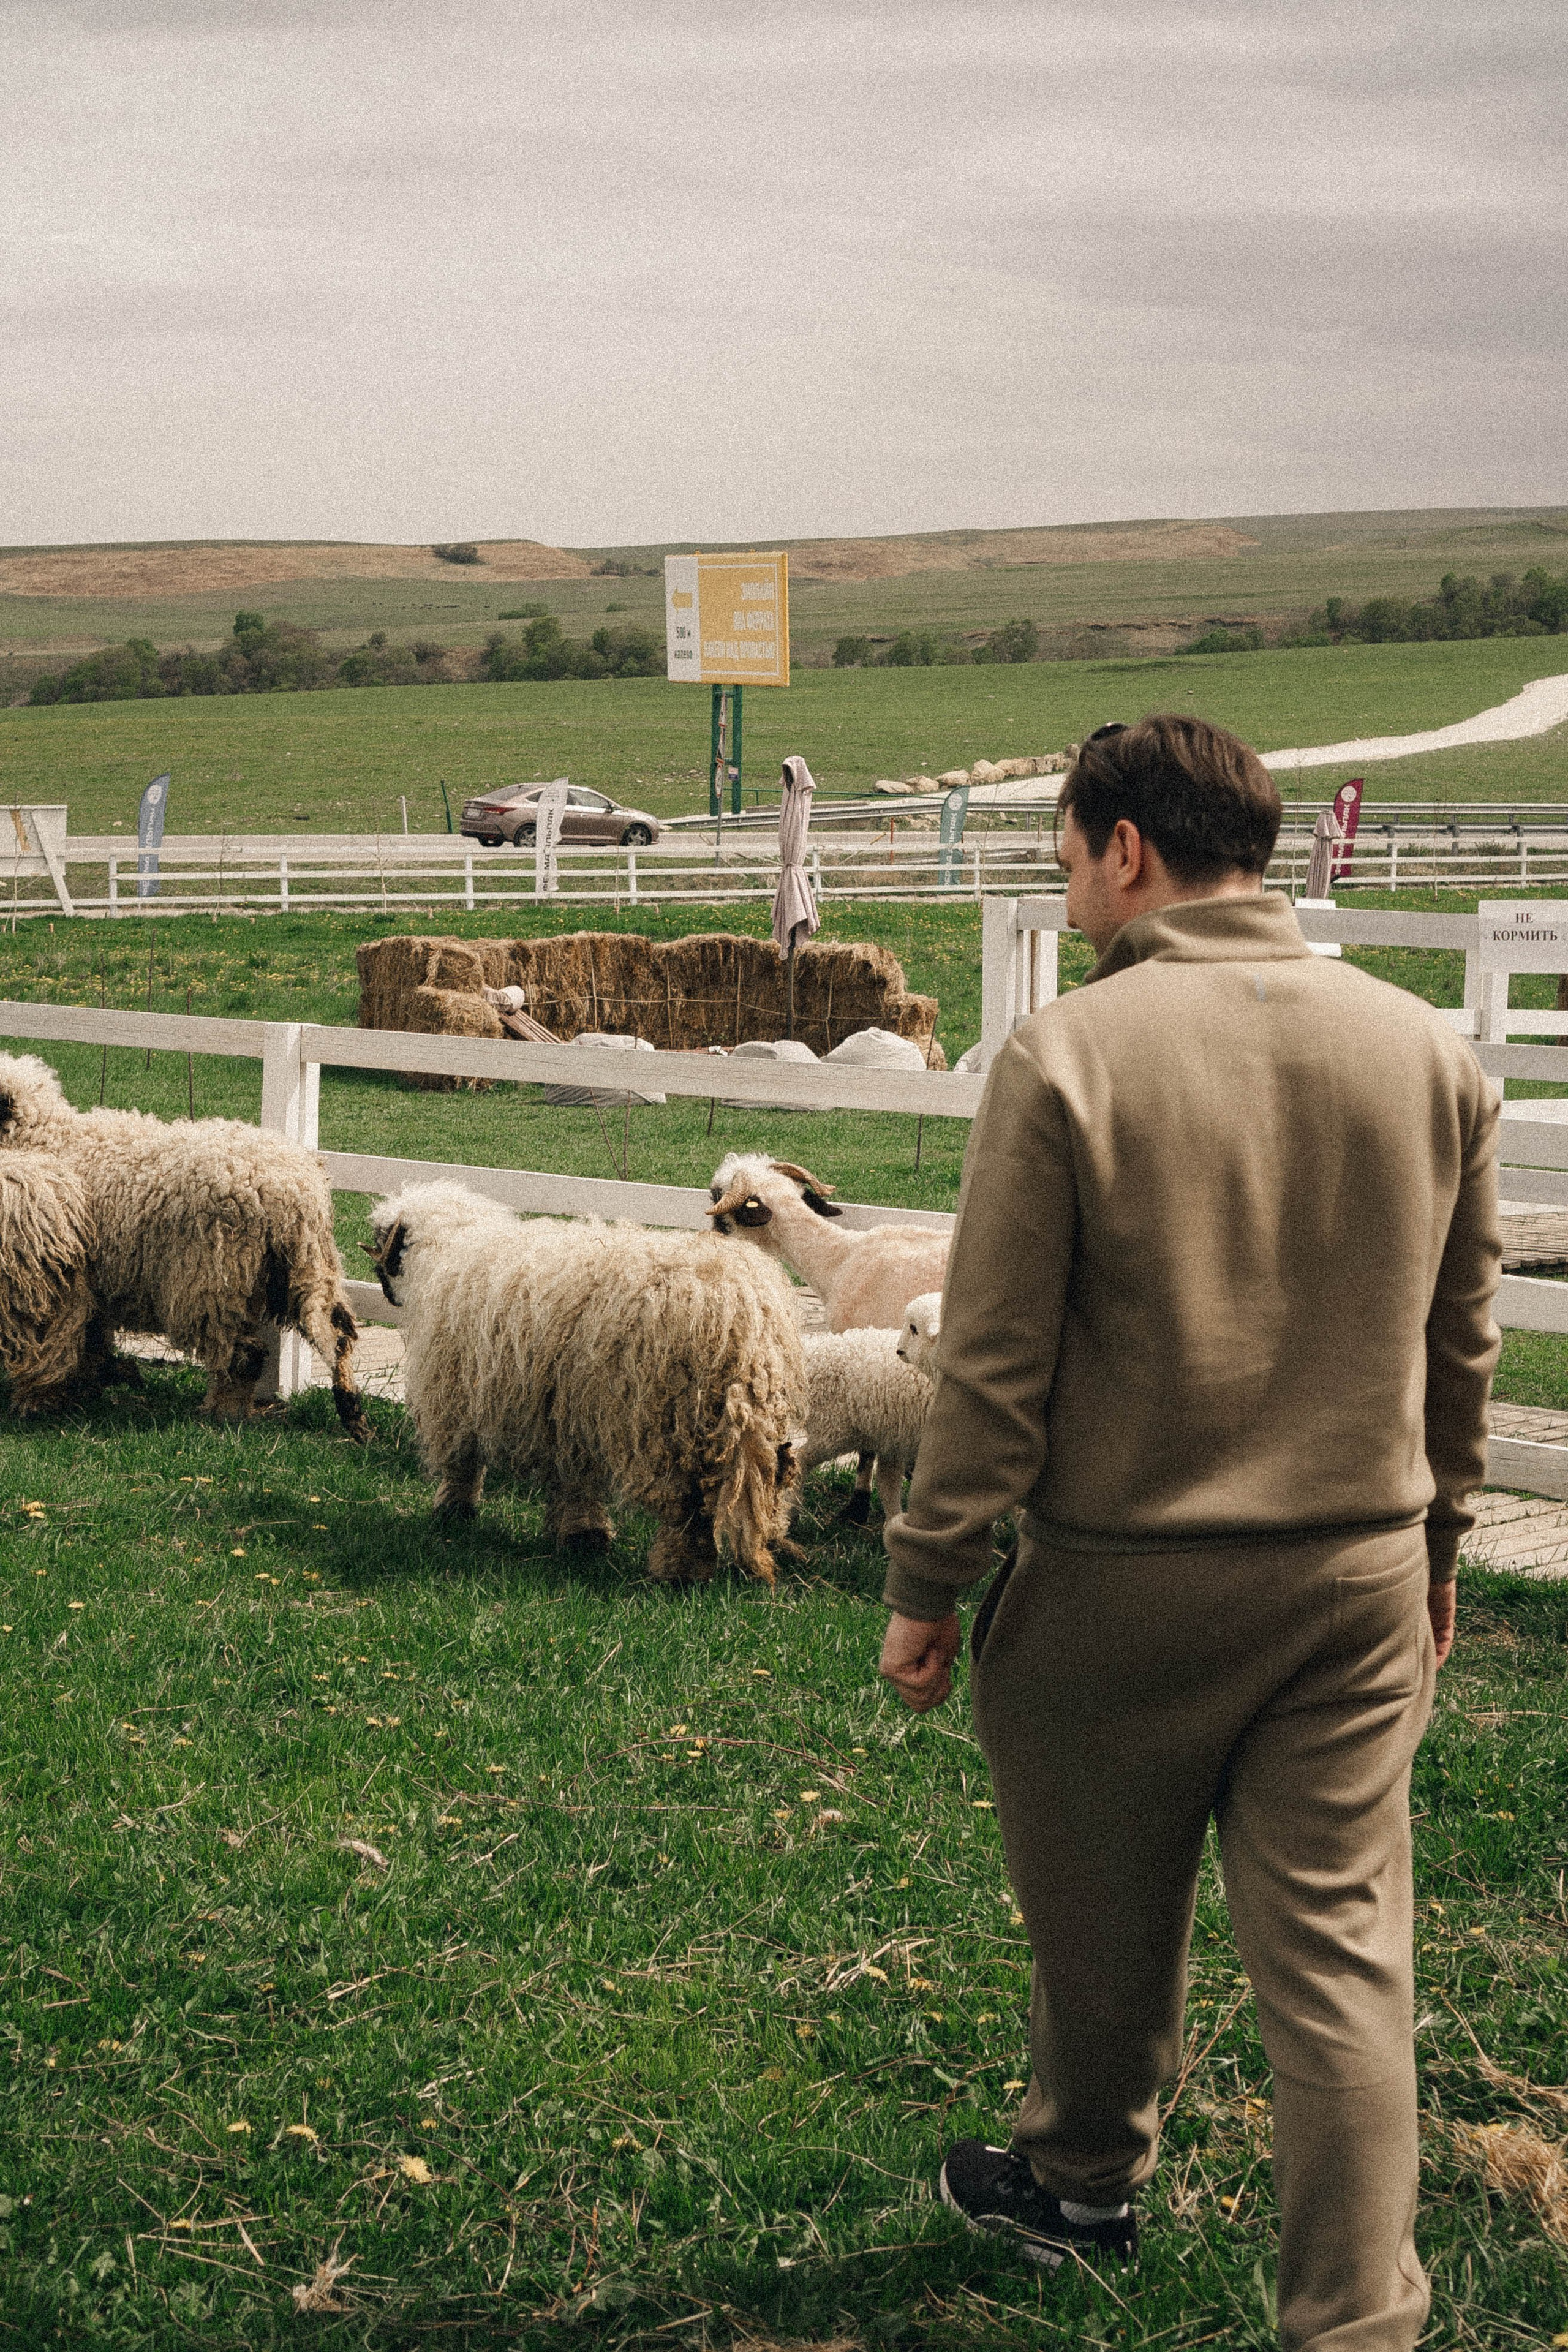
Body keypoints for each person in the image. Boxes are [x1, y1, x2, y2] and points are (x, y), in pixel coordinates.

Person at [879, 715, 1499, 2351]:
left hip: (1119, 1582)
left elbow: (995, 1364)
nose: (1066, 883)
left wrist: (930, 1574)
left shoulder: (1068, 1055)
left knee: (1100, 1917)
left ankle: (1081, 2184)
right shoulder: (1427, 1052)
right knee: (1343, 1963)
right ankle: (1357, 2323)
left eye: (1067, 853)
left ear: (1127, 848)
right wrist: (1438, 1547)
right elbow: (1461, 1343)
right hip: (1358, 1582)